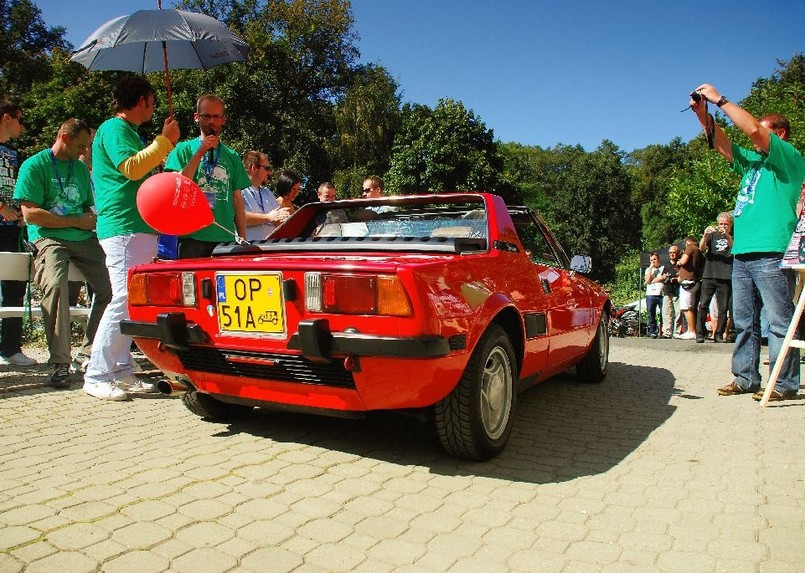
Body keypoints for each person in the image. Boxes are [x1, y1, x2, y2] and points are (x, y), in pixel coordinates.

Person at [690, 83, 805, 401]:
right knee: (744, 321)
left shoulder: (789, 159)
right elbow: (724, 145)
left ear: (780, 135)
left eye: (765, 135)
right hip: (743, 251)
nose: (754, 143)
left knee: (780, 320)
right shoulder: (753, 164)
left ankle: (783, 384)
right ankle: (746, 378)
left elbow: (753, 129)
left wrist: (720, 99)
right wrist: (703, 116)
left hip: (772, 250)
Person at [83, 76, 180, 401]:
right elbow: (132, 168)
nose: (153, 106)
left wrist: (162, 144)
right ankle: (96, 373)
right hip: (122, 226)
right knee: (123, 299)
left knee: (134, 302)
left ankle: (121, 370)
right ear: (142, 100)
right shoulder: (114, 128)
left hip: (137, 226)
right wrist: (164, 141)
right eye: (151, 100)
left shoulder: (129, 132)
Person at [13, 119, 112, 388]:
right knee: (56, 286)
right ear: (64, 138)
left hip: (83, 239)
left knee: (113, 287)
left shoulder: (80, 169)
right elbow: (30, 214)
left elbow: (87, 209)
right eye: (81, 145)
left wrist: (90, 220)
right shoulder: (34, 165)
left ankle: (90, 352)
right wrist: (75, 221)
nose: (84, 152)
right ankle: (60, 363)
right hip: (49, 239)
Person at [165, 94, 249, 258]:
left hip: (225, 238)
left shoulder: (232, 156)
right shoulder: (183, 150)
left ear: (223, 119)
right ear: (196, 118)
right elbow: (178, 185)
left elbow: (237, 199)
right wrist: (201, 151)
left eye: (217, 117)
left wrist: (243, 238)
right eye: (206, 116)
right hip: (192, 237)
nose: (212, 121)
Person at [0, 100, 36, 367]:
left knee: (15, 291)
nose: (23, 125)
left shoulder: (14, 153)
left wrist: (21, 211)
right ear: (6, 117)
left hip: (13, 231)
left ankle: (11, 348)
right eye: (20, 119)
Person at [696, 212, 733, 343]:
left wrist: (727, 236)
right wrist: (705, 235)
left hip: (725, 275)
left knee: (723, 308)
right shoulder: (712, 235)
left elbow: (734, 248)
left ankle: (719, 334)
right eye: (721, 224)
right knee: (703, 304)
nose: (723, 226)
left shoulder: (733, 235)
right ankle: (700, 333)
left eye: (726, 224)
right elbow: (701, 248)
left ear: (730, 225)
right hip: (709, 274)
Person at [241, 150, 290, 241]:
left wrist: (285, 217)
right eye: (267, 168)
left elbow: (277, 220)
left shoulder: (267, 193)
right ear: (254, 168)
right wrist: (268, 217)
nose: (269, 172)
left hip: (270, 249)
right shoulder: (238, 190)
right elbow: (238, 217)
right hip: (249, 249)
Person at [674, 235, 701, 340]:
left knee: (686, 307)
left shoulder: (691, 247)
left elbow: (683, 261)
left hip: (688, 281)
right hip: (693, 280)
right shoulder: (698, 250)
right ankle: (691, 330)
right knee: (691, 307)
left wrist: (679, 261)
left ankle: (691, 331)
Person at [660, 245, 682, 338]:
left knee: (678, 313)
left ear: (677, 253)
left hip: (677, 291)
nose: (672, 254)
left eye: (674, 252)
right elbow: (662, 276)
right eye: (670, 253)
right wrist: (664, 277)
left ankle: (677, 332)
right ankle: (667, 332)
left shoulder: (680, 264)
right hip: (667, 291)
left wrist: (676, 279)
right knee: (667, 313)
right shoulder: (666, 264)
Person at [644, 252, 664, 338]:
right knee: (651, 314)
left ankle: (663, 331)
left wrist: (654, 280)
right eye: (651, 260)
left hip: (661, 293)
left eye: (654, 259)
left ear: (658, 259)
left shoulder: (663, 268)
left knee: (664, 313)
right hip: (650, 294)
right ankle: (653, 331)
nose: (653, 261)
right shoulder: (648, 270)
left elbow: (663, 277)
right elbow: (648, 280)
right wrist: (650, 268)